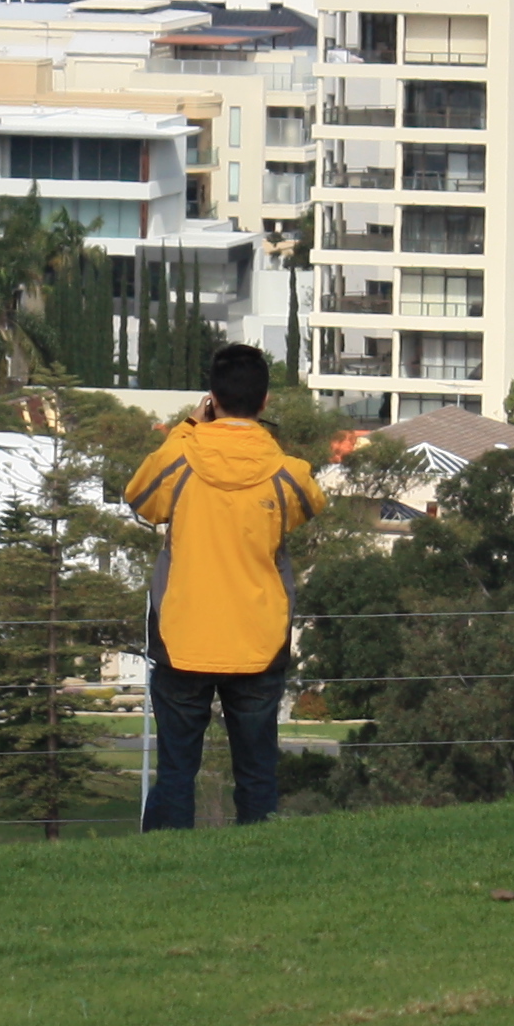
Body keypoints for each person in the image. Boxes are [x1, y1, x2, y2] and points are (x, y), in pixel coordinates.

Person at [121, 343, 323, 829]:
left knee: (176, 772)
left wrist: (190, 428)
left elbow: (140, 497)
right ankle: (257, 875)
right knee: (256, 775)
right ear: (266, 401)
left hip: (183, 637)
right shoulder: (286, 474)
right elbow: (309, 503)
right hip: (258, 639)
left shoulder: (181, 459)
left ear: (212, 396)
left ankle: (166, 875)